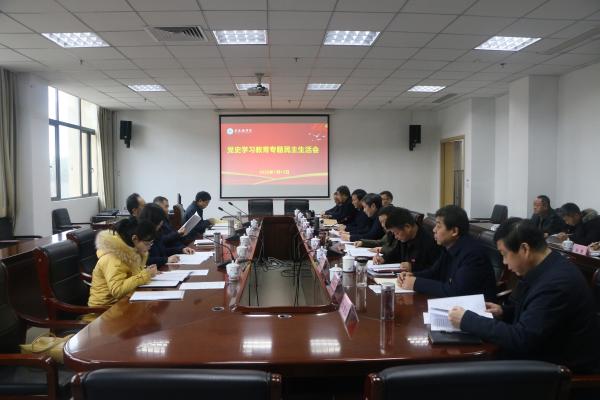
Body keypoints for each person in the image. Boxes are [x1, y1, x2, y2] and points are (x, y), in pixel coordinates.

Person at [448, 218, 600, 373]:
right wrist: (503, 312)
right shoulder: (545, 265)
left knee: (463, 370)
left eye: (504, 254)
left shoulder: (557, 284)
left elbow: (522, 339)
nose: (504, 262)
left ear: (524, 249)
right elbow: (531, 311)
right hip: (538, 356)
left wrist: (468, 320)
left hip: (557, 373)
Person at [397, 205, 497, 300]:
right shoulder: (449, 246)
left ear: (454, 231)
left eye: (438, 226)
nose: (434, 230)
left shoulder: (473, 254)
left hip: (475, 308)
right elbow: (434, 272)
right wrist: (411, 275)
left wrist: (416, 283)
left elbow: (456, 291)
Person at [88, 218, 158, 307]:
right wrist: (145, 275)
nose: (149, 247)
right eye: (147, 244)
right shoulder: (112, 258)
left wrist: (147, 271)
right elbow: (117, 290)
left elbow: (130, 275)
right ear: (135, 239)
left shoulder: (131, 252)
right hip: (105, 310)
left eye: (151, 243)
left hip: (123, 303)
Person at [380, 207, 441, 272]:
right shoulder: (405, 237)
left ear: (407, 227)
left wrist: (413, 267)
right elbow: (396, 253)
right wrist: (384, 258)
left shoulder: (430, 241)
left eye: (397, 233)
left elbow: (437, 269)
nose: (395, 237)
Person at [139, 203, 194, 267]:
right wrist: (166, 260)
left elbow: (163, 251)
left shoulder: (156, 233)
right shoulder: (142, 236)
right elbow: (146, 260)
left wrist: (181, 250)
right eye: (159, 224)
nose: (161, 225)